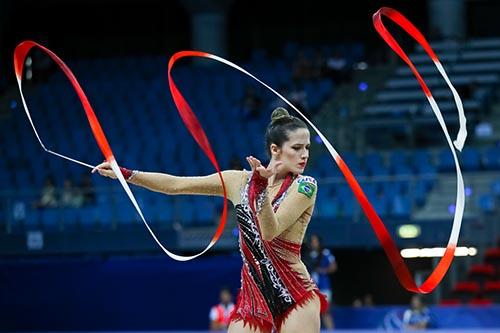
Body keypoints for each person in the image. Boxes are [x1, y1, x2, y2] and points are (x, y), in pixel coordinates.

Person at [93, 107, 328, 333]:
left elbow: (269, 231)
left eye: (307, 147)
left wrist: (262, 189)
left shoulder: (305, 186)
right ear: (275, 150)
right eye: (297, 148)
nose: (305, 154)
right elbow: (177, 185)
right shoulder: (238, 181)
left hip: (294, 292)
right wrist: (127, 175)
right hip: (254, 297)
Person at [302, 234, 337, 329]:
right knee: (311, 313)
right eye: (312, 241)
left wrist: (323, 270)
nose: (313, 243)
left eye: (315, 241)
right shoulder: (307, 255)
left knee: (326, 311)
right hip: (311, 287)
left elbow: (333, 266)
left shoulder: (325, 253)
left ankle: (331, 330)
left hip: (324, 287)